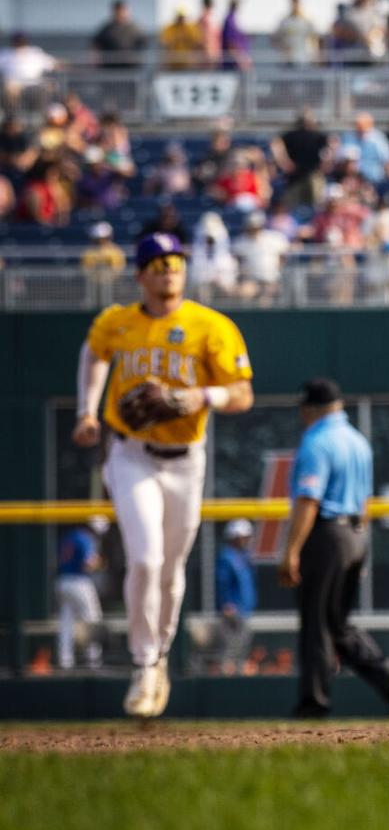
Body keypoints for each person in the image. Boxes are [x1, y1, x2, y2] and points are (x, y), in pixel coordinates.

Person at [71, 231, 255, 718]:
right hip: (130, 454)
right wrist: (87, 410)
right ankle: (143, 662)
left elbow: (241, 393)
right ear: (140, 275)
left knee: (172, 571)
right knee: (147, 560)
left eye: (175, 260)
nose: (168, 268)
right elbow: (93, 355)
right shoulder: (117, 322)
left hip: (186, 459)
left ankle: (160, 658)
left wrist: (202, 396)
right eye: (157, 262)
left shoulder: (209, 325)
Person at [278, 378, 389, 719]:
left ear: (309, 409)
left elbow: (309, 500)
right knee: (338, 624)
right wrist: (358, 544)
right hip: (354, 534)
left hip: (326, 535)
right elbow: (365, 502)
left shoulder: (317, 442)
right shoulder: (357, 441)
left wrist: (292, 549)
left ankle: (314, 703)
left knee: (316, 624)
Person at [55, 515, 108, 670]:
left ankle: (65, 660)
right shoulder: (85, 538)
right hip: (79, 582)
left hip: (62, 581)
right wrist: (101, 563)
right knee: (92, 618)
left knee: (66, 621)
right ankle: (93, 660)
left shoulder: (70, 536)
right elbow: (88, 564)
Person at [216, 519, 257, 675]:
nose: (246, 540)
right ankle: (225, 678)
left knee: (242, 646)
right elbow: (222, 582)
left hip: (244, 608)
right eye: (243, 537)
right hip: (233, 609)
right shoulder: (227, 557)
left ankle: (238, 675)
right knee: (230, 647)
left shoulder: (243, 556)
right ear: (234, 537)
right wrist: (226, 603)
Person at [91, 0, 147, 67]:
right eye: (118, 11)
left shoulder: (135, 29)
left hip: (130, 66)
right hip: (111, 66)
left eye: (123, 10)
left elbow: (143, 43)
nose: (121, 13)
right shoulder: (107, 29)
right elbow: (96, 44)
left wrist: (135, 56)